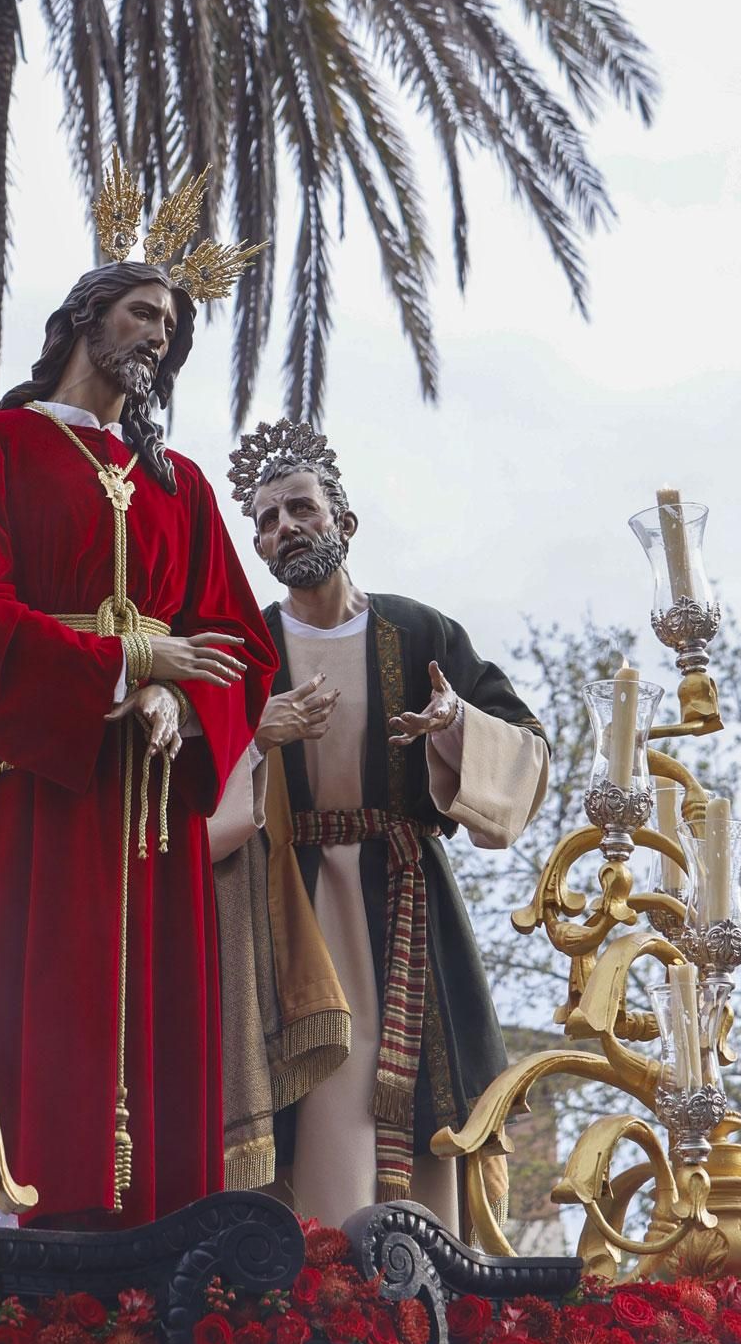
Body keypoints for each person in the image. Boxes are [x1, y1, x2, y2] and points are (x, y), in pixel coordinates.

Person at [0, 173, 274, 1229]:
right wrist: (127, 669)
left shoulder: (181, 485)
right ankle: (2, 1222)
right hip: (37, 775)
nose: (160, 335)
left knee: (148, 1012)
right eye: (143, 312)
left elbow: (242, 646)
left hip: (151, 800)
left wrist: (182, 705)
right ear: (87, 316)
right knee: (25, 988)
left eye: (172, 325)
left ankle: (153, 1237)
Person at [211, 420, 549, 1229]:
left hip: (403, 895)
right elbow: (196, 780)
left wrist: (455, 723)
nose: (285, 528)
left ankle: (420, 1264)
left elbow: (528, 749)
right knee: (311, 1095)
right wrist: (260, 732)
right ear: (258, 547)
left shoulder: (420, 633)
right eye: (267, 520)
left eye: (301, 508)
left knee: (419, 1089)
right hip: (288, 904)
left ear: (345, 521)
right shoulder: (248, 648)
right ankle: (308, 1272)